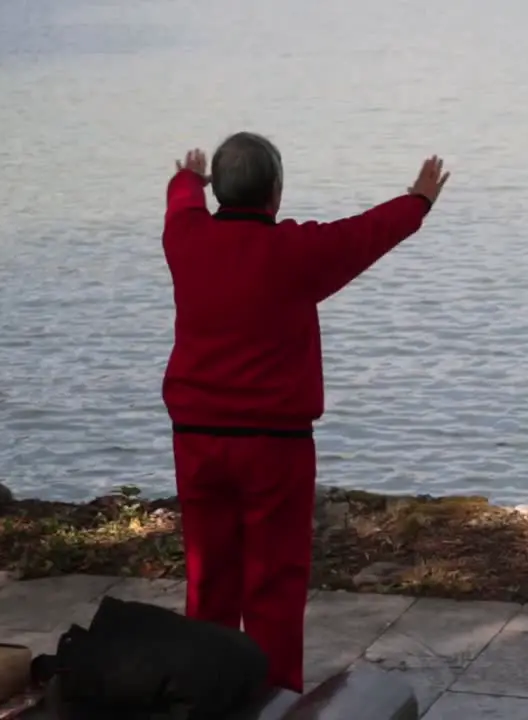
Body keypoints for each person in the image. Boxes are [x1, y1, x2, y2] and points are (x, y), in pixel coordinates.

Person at [160, 131, 450, 692]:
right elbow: (365, 234)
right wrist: (418, 200)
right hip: (274, 443)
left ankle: (207, 694)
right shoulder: (295, 253)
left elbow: (181, 205)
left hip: (196, 438)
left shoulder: (186, 239)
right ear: (276, 193)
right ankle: (270, 698)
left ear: (221, 191)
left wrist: (187, 179)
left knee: (208, 574)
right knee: (274, 581)